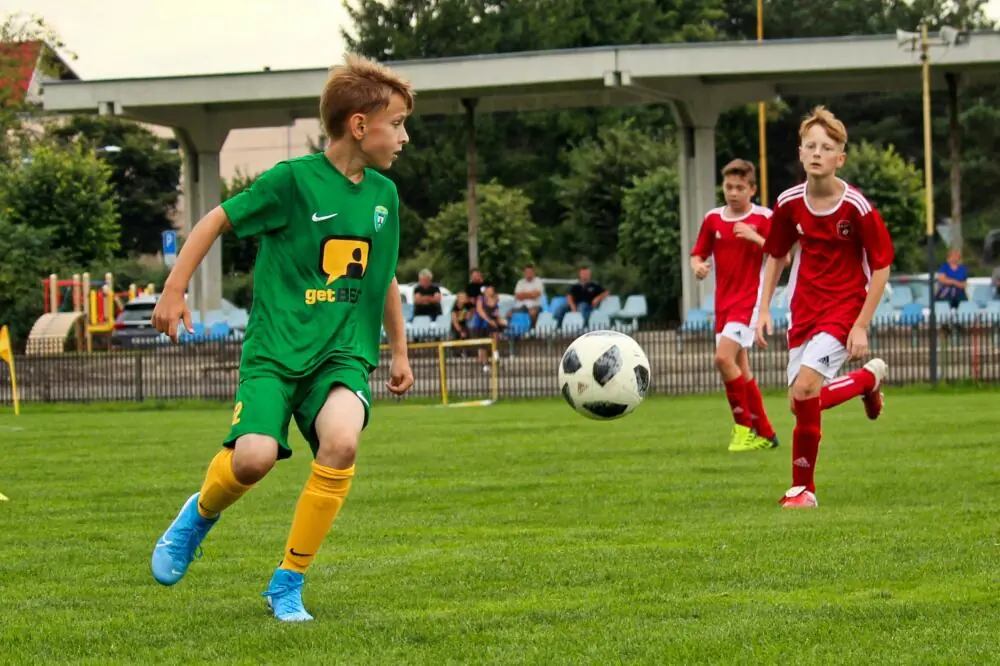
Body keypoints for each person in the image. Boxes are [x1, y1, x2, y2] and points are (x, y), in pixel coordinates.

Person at [147, 54, 415, 621]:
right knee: (253, 460)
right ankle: (198, 515)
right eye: (398, 123)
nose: (405, 137)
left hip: (340, 356)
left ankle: (287, 581)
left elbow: (385, 276)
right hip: (274, 353)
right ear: (360, 125)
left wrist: (399, 350)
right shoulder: (291, 182)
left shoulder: (384, 197)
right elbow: (214, 220)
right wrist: (174, 291)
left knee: (342, 442)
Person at [756, 106, 893, 509]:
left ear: (840, 159)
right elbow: (776, 256)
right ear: (800, 153)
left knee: (805, 388)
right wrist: (762, 309)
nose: (817, 152)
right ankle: (866, 382)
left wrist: (861, 325)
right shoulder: (788, 203)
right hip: (804, 309)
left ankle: (802, 491)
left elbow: (882, 266)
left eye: (827, 147)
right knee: (799, 402)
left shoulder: (857, 207)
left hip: (845, 306)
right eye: (810, 145)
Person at [690, 159, 778, 453]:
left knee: (722, 360)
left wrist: (755, 237)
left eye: (740, 187)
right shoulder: (713, 218)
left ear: (752, 190)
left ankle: (743, 429)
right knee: (741, 367)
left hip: (749, 302)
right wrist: (699, 266)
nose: (733, 192)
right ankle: (766, 432)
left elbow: (783, 256)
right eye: (729, 187)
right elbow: (697, 254)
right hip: (723, 305)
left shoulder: (764, 217)